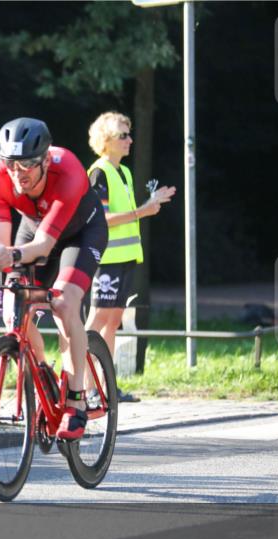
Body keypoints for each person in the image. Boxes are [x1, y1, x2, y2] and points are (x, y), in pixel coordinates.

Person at [0, 118, 108, 441]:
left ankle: (76, 400)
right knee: (12, 308)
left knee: (64, 303)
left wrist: (12, 255)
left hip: (80, 232)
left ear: (46, 160)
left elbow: (44, 246)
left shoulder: (68, 171)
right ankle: (44, 373)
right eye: (10, 164)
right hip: (34, 228)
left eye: (27, 165)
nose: (18, 173)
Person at [85, 112, 175, 402]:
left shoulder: (123, 171)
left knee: (113, 322)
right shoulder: (99, 172)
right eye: (123, 135)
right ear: (107, 139)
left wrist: (148, 204)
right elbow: (102, 218)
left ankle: (107, 387)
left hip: (125, 258)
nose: (130, 140)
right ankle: (84, 389)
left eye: (129, 134)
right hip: (106, 259)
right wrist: (142, 210)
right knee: (96, 321)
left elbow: (125, 215)